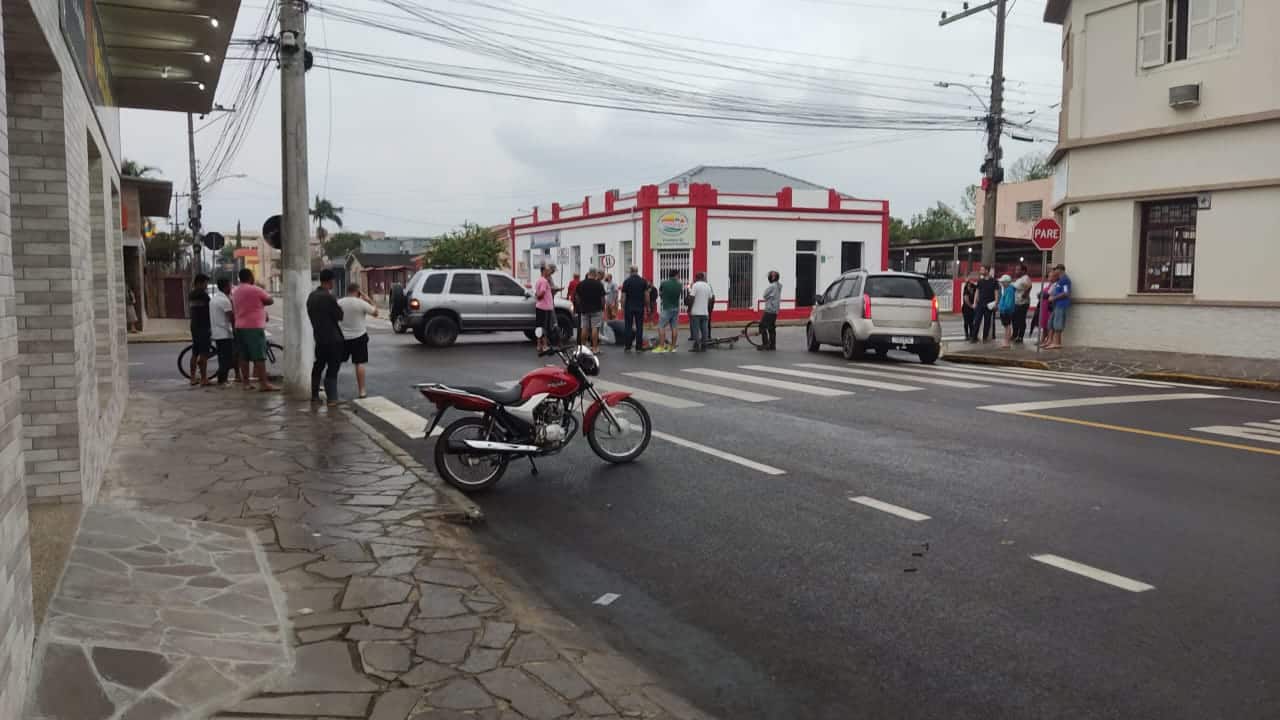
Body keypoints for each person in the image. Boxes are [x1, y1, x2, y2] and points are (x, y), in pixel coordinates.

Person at [231, 268, 278, 392]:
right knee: (259, 356)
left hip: (239, 326)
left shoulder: (235, 291)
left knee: (243, 356)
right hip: (253, 327)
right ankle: (264, 384)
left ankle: (246, 383)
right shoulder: (255, 289)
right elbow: (270, 300)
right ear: (250, 277)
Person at [307, 269, 345, 405]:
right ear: (330, 281)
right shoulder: (328, 297)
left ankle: (315, 395)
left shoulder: (311, 297)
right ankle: (332, 398)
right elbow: (339, 316)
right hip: (333, 339)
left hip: (319, 338)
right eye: (333, 281)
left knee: (318, 365)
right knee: (333, 367)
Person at [339, 282, 379, 399]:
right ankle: (362, 391)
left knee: (336, 362)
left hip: (343, 337)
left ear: (347, 291)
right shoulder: (361, 303)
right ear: (358, 292)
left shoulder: (339, 302)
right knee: (359, 363)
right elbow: (376, 313)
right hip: (359, 337)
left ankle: (332, 388)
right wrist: (369, 300)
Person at [210, 276, 236, 386]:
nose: (231, 288)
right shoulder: (224, 300)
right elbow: (231, 317)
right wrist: (235, 330)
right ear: (226, 287)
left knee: (222, 358)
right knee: (226, 358)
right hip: (224, 333)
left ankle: (222, 379)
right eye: (230, 286)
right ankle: (222, 380)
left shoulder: (214, 298)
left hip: (217, 332)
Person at [187, 274, 212, 386]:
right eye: (205, 283)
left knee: (195, 352)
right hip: (203, 326)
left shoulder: (191, 294)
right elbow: (208, 311)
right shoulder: (203, 295)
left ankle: (192, 378)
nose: (206, 285)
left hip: (194, 326)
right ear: (199, 283)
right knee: (204, 354)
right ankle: (203, 378)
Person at [574, 269, 606, 353]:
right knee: (595, 328)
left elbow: (577, 296)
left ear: (588, 274)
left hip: (584, 309)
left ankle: (582, 348)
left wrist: (580, 304)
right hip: (596, 309)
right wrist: (602, 307)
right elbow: (602, 298)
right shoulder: (599, 284)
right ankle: (595, 348)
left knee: (584, 327)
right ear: (595, 274)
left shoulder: (581, 284)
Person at [620, 265, 649, 352]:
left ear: (630, 271)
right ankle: (638, 347)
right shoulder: (643, 281)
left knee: (628, 326)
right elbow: (647, 295)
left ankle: (628, 346)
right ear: (637, 271)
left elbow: (623, 296)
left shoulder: (626, 281)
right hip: (640, 307)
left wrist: (622, 306)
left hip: (629, 307)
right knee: (639, 326)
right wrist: (647, 306)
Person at [1045, 264, 1072, 350]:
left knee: (1058, 323)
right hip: (1056, 304)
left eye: (1056, 269)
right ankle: (1053, 341)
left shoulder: (1065, 280)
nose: (1054, 271)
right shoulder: (1060, 280)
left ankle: (1057, 343)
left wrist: (1054, 297)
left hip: (1061, 304)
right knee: (1052, 322)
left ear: (1060, 270)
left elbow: (1066, 293)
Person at [656, 269, 683, 353]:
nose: (679, 276)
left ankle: (661, 347)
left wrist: (664, 296)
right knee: (674, 327)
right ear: (676, 275)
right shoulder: (679, 284)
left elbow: (660, 293)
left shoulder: (664, 283)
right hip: (676, 308)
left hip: (667, 307)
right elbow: (680, 294)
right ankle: (673, 347)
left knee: (661, 326)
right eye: (678, 274)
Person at [533, 264, 557, 352]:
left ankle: (539, 345)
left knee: (539, 327)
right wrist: (539, 297)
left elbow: (537, 292)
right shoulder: (544, 281)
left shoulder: (539, 280)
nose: (549, 272)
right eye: (547, 270)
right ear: (543, 271)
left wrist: (537, 296)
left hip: (540, 307)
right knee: (545, 327)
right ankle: (545, 345)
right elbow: (542, 292)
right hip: (545, 307)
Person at [687, 272, 713, 352]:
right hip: (705, 312)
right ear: (703, 277)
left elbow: (691, 298)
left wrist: (689, 309)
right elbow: (710, 298)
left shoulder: (695, 285)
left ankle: (696, 345)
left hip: (696, 312)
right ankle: (704, 345)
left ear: (696, 278)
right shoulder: (708, 286)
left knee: (695, 329)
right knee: (704, 329)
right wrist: (707, 307)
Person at [974, 265, 999, 343]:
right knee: (977, 320)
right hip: (980, 304)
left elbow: (996, 293)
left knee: (987, 322)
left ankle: (985, 338)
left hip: (989, 305)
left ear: (987, 271)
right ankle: (974, 337)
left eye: (982, 270)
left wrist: (996, 303)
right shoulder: (980, 281)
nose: (980, 271)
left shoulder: (994, 281)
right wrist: (974, 302)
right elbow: (977, 292)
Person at [759, 270, 781, 351]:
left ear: (773, 277)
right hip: (775, 310)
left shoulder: (772, 286)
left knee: (762, 326)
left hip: (769, 309)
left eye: (769, 276)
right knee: (771, 328)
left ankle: (765, 344)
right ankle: (772, 345)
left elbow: (764, 295)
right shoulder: (778, 286)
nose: (768, 278)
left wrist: (768, 297)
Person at [1012, 264, 1032, 344]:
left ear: (1023, 271)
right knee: (1015, 319)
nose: (1016, 271)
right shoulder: (1020, 279)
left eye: (1018, 270)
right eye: (1016, 269)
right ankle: (1014, 334)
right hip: (1017, 303)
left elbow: (1029, 286)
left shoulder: (1026, 278)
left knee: (1021, 320)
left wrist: (1025, 294)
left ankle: (1020, 336)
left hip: (1022, 303)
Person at [997, 274, 1017, 349]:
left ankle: (1007, 341)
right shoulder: (1008, 289)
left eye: (1003, 282)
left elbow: (1008, 303)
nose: (1001, 283)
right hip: (1005, 310)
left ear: (1006, 282)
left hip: (1006, 311)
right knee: (1006, 326)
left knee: (1007, 326)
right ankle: (1006, 341)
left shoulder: (1009, 290)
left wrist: (1003, 308)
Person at [1036, 271, 1054, 348]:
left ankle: (1048, 339)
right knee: (1044, 323)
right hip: (1044, 306)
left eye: (1050, 276)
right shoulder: (1049, 285)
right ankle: (1043, 338)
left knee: (1048, 323)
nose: (1049, 278)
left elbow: (1049, 294)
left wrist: (1042, 294)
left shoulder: (1054, 285)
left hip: (1048, 306)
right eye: (1048, 276)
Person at [961, 273, 978, 342]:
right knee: (966, 322)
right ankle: (966, 335)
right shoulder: (966, 289)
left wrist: (975, 304)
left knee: (972, 322)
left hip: (973, 307)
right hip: (966, 308)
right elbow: (966, 299)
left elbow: (977, 291)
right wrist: (972, 306)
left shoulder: (974, 287)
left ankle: (972, 335)